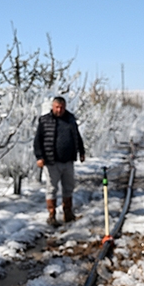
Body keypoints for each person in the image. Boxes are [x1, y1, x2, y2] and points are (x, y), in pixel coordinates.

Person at [33, 96, 85, 226]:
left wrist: (81, 151)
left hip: (68, 160)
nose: (59, 110)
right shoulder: (45, 120)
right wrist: (39, 157)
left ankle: (68, 213)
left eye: (62, 107)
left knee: (68, 187)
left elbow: (77, 136)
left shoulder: (70, 119)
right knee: (52, 188)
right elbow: (38, 140)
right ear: (52, 107)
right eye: (57, 107)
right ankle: (52, 215)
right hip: (51, 161)